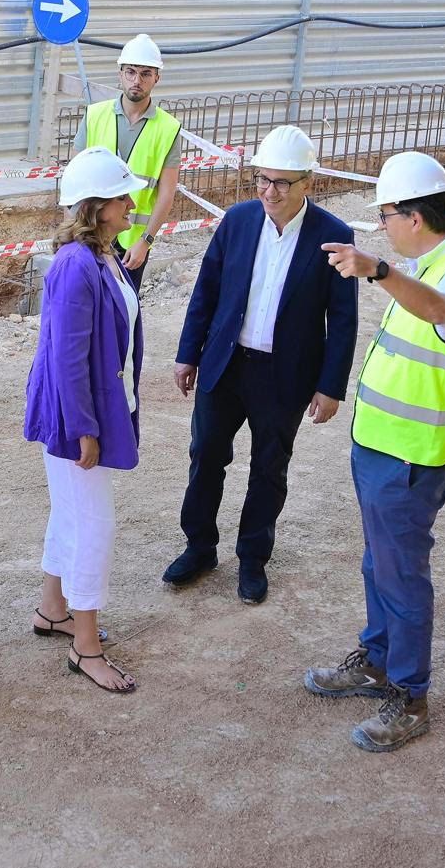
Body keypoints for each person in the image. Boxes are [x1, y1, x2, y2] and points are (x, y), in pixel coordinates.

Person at [308, 151, 445, 753]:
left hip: (414, 455)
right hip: (382, 446)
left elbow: (444, 312)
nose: (382, 225)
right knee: (378, 564)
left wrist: (378, 269)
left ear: (415, 217)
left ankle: (410, 696)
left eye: (387, 214)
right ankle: (379, 662)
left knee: (401, 573)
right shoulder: (431, 261)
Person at [164, 125, 358, 604]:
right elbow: (206, 292)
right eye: (262, 180)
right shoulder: (238, 220)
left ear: (307, 183)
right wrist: (188, 353)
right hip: (224, 365)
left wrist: (331, 386)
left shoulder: (334, 236)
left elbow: (344, 319)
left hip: (284, 375)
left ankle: (252, 558)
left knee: (269, 468)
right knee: (206, 455)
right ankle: (199, 547)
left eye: (281, 183)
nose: (269, 192)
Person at [23, 147, 149, 694]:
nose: (131, 203)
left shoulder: (101, 254)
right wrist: (84, 430)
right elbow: (66, 358)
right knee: (94, 523)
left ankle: (53, 609)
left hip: (90, 407)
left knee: (70, 512)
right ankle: (86, 646)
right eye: (123, 196)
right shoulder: (78, 265)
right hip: (79, 416)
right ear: (97, 206)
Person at [76, 34, 181, 289]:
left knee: (125, 314)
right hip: (91, 233)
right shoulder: (94, 116)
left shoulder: (168, 128)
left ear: (157, 77)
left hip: (132, 241)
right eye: (131, 72)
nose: (137, 80)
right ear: (120, 73)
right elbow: (75, 181)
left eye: (146, 73)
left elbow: (166, 194)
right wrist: (75, 232)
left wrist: (145, 241)